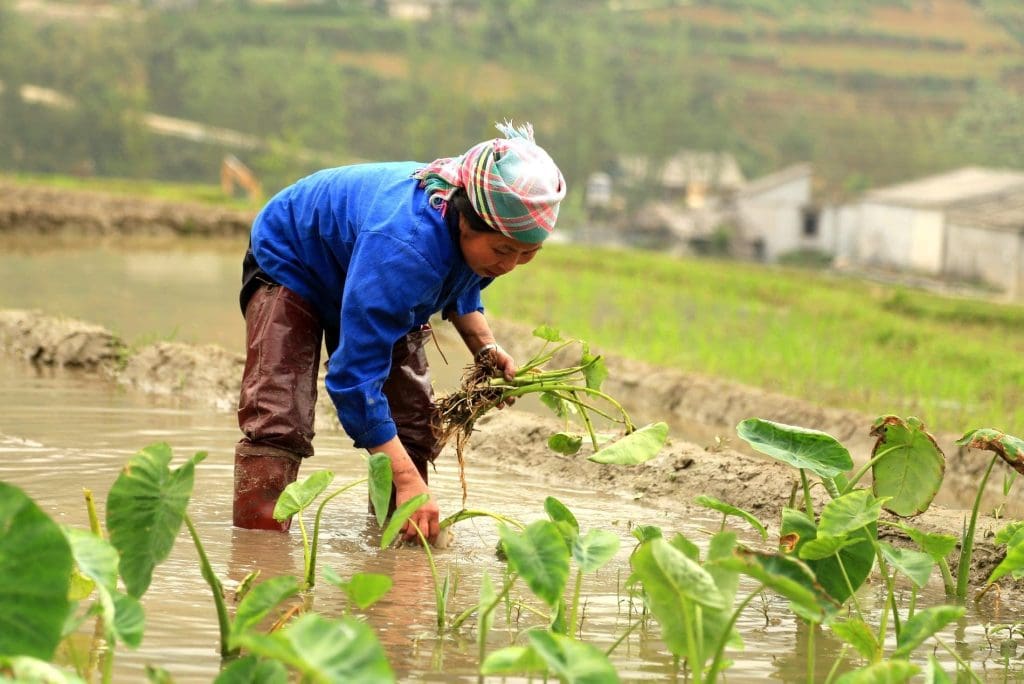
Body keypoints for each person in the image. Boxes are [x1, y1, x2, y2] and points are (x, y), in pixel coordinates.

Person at [232, 121, 566, 545]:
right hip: (295, 259)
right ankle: (258, 551)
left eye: (527, 254)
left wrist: (484, 346)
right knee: (279, 416)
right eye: (502, 251)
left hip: (371, 272)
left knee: (411, 421)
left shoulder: (483, 244)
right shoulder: (407, 247)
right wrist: (406, 480)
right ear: (463, 223)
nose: (509, 265)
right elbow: (353, 380)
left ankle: (398, 545)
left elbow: (463, 280)